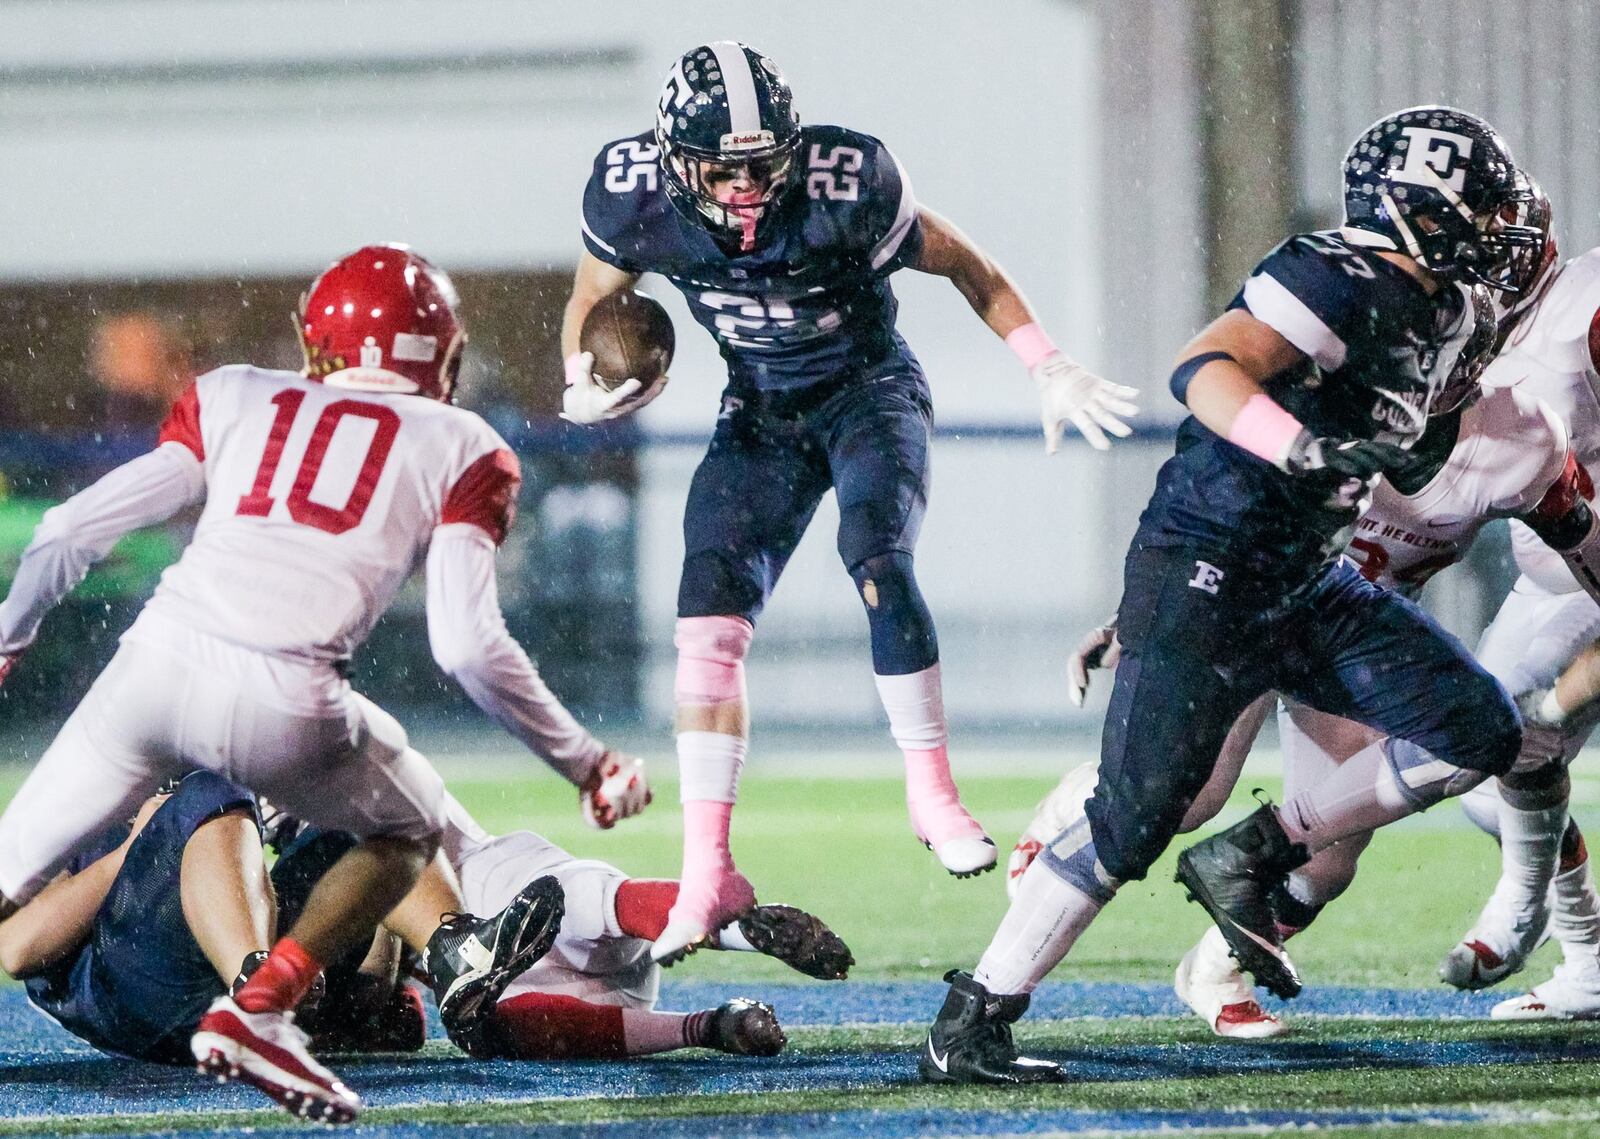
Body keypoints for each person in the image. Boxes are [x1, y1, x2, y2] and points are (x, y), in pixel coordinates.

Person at [918, 106, 1552, 1084]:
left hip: (1310, 580)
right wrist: (1305, 448)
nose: (1498, 219)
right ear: (1407, 211)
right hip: (1209, 570)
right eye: (1476, 201)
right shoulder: (1329, 274)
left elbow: (1426, 440)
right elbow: (1205, 369)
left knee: (1477, 724)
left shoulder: (1453, 312)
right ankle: (974, 1015)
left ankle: (1248, 854)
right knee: (1142, 811)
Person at [0, 245, 649, 1121]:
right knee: (364, 812)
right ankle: (262, 998)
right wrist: (585, 761)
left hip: (157, 666)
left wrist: (12, 635)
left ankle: (424, 958)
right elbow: (466, 644)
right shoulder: (461, 441)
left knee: (366, 811)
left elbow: (70, 530)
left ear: (315, 347)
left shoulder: (235, 393)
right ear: (444, 360)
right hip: (140, 958)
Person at [560, 40, 1138, 964]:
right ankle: (707, 873)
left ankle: (931, 791)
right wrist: (580, 375)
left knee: (877, 559)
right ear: (674, 159)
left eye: (764, 164)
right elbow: (595, 293)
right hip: (760, 407)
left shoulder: (846, 179)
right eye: (725, 169)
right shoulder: (630, 193)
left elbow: (968, 264)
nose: (748, 188)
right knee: (705, 616)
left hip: (868, 391)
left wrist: (1047, 363)